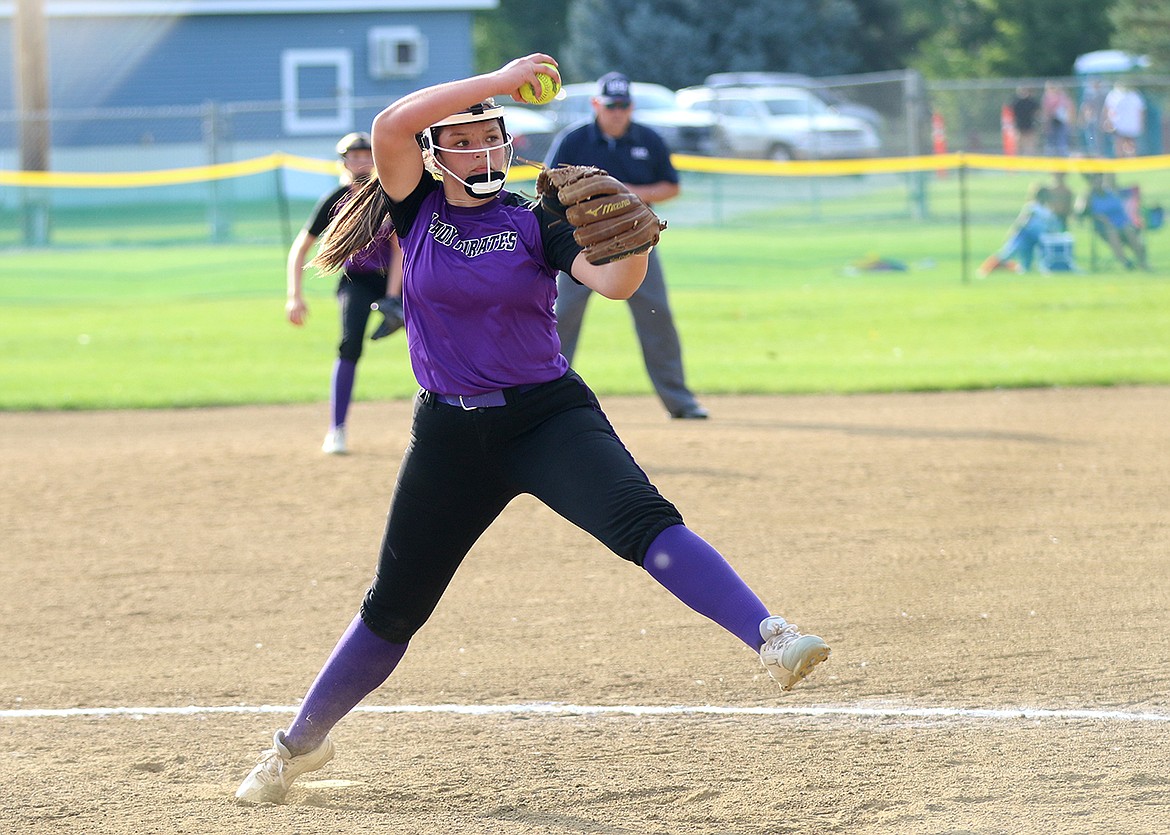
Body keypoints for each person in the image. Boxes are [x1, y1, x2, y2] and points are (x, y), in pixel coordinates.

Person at [234, 54, 830, 805]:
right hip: (451, 435)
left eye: (494, 136)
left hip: (547, 416)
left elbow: (612, 284)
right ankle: (296, 746)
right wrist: (497, 80)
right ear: (433, 153)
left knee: (644, 522)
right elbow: (390, 124)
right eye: (466, 138)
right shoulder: (417, 208)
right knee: (393, 607)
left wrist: (635, 241)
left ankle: (771, 636)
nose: (484, 150)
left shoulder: (536, 216)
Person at [543, 71, 708, 420]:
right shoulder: (574, 141)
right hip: (581, 245)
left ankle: (680, 401)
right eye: (610, 105)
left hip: (637, 245)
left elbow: (671, 186)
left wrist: (627, 195)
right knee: (561, 318)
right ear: (595, 105)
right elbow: (549, 188)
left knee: (656, 316)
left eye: (623, 105)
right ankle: (542, 397)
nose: (617, 111)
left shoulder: (648, 140)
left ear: (631, 106)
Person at [285, 132, 405, 454]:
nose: (362, 161)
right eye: (355, 156)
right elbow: (300, 248)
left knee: (431, 341)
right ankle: (336, 429)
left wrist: (394, 297)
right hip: (358, 281)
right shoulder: (336, 199)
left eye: (368, 154)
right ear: (344, 162)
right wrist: (295, 295)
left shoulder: (386, 197)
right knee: (349, 345)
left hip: (397, 280)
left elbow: (398, 250)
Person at [978, 183, 1059, 276]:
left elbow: (1050, 225)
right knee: (1006, 254)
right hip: (1023, 236)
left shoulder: (1047, 210)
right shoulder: (1032, 207)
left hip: (1035, 240)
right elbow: (1021, 221)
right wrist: (1013, 232)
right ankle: (985, 269)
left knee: (1025, 267)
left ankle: (1006, 267)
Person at [1077, 173, 1149, 270]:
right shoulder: (1088, 196)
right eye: (1094, 180)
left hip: (1123, 223)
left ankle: (1142, 261)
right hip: (1104, 226)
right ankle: (1125, 262)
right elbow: (1081, 211)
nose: (1097, 182)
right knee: (1112, 232)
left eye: (1099, 179)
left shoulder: (1111, 191)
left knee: (1129, 232)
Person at [1103, 82, 1145, 158]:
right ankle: (1120, 163)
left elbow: (1140, 111)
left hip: (1131, 126)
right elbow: (1108, 109)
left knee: (1131, 146)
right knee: (1119, 145)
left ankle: (1132, 163)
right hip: (1118, 126)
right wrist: (1108, 121)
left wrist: (1140, 124)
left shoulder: (1135, 95)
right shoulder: (1113, 95)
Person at [1041, 82, 1074, 157]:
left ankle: (1062, 156)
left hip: (1061, 121)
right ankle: (1051, 156)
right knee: (1051, 140)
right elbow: (1046, 111)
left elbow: (1069, 108)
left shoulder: (1063, 97)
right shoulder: (1047, 98)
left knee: (1061, 140)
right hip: (1052, 121)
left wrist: (1069, 121)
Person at [1010, 86, 1041, 156]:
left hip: (1029, 124)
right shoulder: (1017, 102)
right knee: (1019, 144)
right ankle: (1020, 157)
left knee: (1029, 144)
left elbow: (1037, 113)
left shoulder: (1030, 102)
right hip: (1020, 125)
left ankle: (1028, 158)